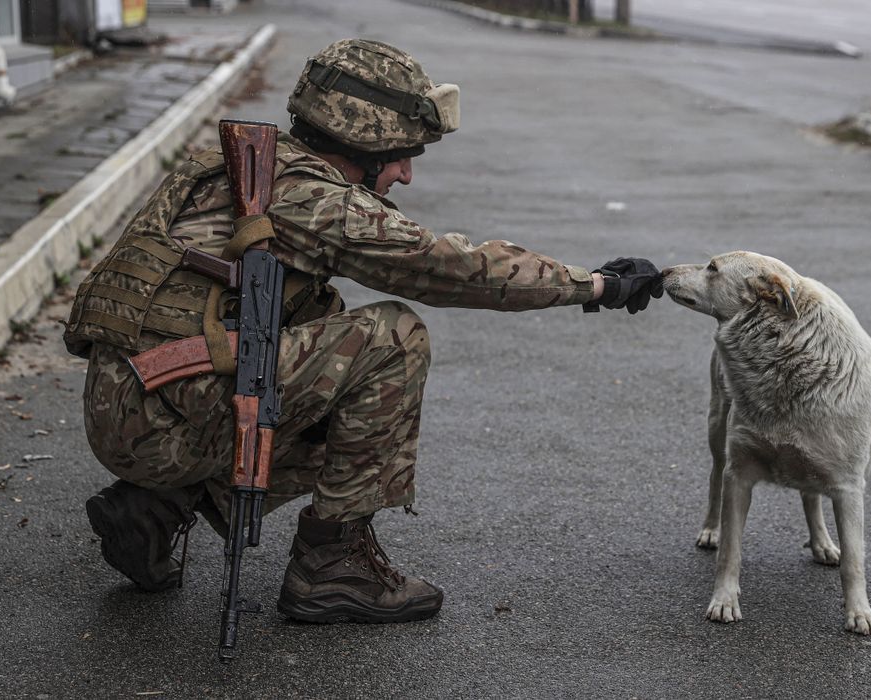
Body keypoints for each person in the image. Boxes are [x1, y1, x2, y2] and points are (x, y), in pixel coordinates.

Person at [64, 39, 663, 624]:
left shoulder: (234, 171)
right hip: (163, 424)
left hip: (128, 409)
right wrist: (597, 285)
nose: (404, 174)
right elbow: (452, 269)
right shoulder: (315, 204)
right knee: (392, 340)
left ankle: (152, 509)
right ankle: (332, 567)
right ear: (365, 142)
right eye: (403, 154)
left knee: (323, 327)